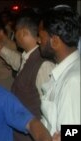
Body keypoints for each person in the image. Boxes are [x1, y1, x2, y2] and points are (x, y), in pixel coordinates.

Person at [0, 15, 55, 141]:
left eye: (16, 32)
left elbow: (50, 109)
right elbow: (19, 62)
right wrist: (1, 50)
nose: (14, 35)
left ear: (23, 32)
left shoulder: (44, 64)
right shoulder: (29, 56)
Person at [38, 6, 80, 137]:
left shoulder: (72, 81)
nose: (38, 41)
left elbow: (73, 133)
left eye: (41, 36)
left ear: (55, 41)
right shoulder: (64, 71)